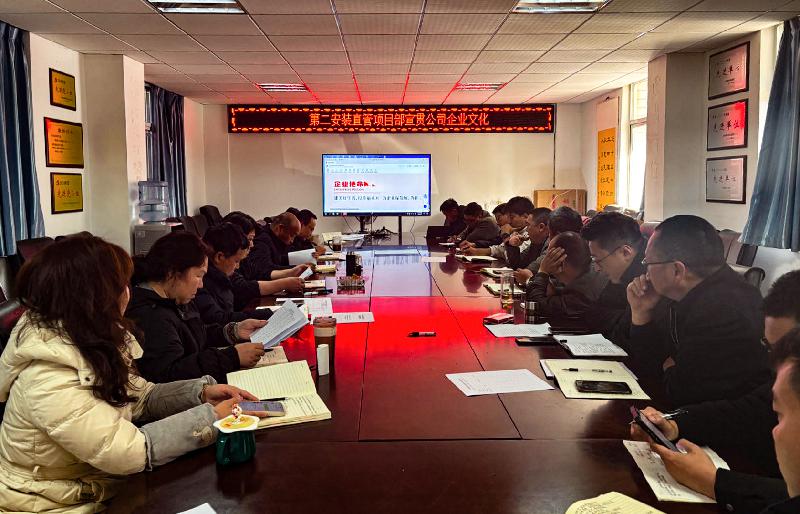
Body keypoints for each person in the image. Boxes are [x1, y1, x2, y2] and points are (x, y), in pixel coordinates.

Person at [0, 234, 265, 512]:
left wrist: (200, 394)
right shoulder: (48, 375)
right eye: (121, 285)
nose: (128, 292)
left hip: (95, 488)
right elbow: (129, 451)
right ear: (95, 298)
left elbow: (140, 395)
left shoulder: (90, 339)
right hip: (51, 504)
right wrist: (212, 417)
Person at [632, 271, 800, 513]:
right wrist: (674, 424)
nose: (778, 367)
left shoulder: (721, 304)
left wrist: (715, 482)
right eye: (771, 348)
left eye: (790, 352)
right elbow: (748, 411)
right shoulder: (784, 379)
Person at [626, 215, 769, 405]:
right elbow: (645, 363)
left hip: (718, 418)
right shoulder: (675, 293)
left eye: (647, 262)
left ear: (677, 270)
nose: (645, 272)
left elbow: (677, 392)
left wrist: (667, 366)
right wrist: (641, 313)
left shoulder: (722, 310)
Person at [126, 232, 267, 384]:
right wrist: (231, 357)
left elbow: (197, 335)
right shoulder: (150, 316)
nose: (201, 285)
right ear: (172, 273)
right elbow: (170, 376)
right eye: (198, 276)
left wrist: (234, 331)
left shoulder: (176, 299)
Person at [580, 212, 647, 338]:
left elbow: (623, 336)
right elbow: (591, 315)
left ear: (625, 253)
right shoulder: (621, 274)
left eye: (597, 260)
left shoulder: (649, 278)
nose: (597, 268)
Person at [525, 231, 608, 329]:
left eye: (548, 257)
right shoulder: (589, 270)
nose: (545, 260)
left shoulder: (584, 291)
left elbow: (535, 307)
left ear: (560, 262)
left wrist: (543, 271)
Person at [195, 223, 274, 326]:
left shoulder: (223, 273)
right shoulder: (201, 283)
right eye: (236, 261)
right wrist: (266, 314)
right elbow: (218, 319)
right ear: (219, 257)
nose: (238, 267)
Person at [223, 212, 303, 309]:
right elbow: (244, 286)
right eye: (250, 239)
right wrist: (284, 283)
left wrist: (291, 272)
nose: (252, 245)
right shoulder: (262, 241)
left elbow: (257, 272)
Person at [514, 205, 583, 284]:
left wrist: (532, 279)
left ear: (559, 236)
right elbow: (520, 266)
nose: (526, 230)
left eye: (549, 233)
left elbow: (553, 289)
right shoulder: (579, 251)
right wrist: (511, 246)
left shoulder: (564, 255)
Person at [239, 212, 310, 282]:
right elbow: (264, 270)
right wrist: (296, 269)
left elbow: (279, 259)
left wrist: (302, 264)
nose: (292, 241)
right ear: (280, 228)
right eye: (292, 235)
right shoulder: (263, 241)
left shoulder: (276, 239)